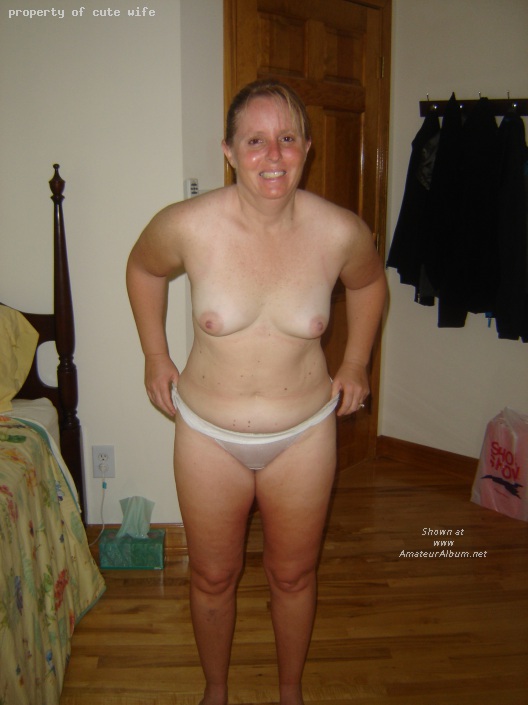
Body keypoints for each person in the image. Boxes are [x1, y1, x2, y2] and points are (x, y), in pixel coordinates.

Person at [126, 79, 387, 705]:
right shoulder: (187, 226)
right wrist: (155, 354)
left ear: (307, 148)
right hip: (207, 436)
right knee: (213, 577)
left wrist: (356, 361)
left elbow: (369, 283)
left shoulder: (339, 232)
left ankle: (289, 692)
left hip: (304, 436)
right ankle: (215, 691)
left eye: (287, 138)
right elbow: (142, 268)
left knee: (293, 576)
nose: (273, 155)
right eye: (255, 141)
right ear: (229, 151)